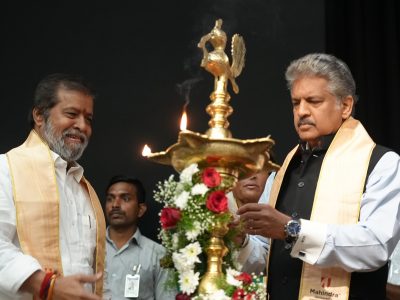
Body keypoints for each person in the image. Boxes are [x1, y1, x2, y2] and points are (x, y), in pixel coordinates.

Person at [237, 53, 400, 299]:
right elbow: (264, 257)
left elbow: (375, 246)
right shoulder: (283, 171)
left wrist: (291, 231)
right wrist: (240, 240)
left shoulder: (381, 163)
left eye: (313, 101)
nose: (301, 111)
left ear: (345, 106)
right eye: (295, 102)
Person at [0, 73, 106, 299]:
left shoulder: (83, 188)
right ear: (39, 115)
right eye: (71, 114)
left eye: (89, 119)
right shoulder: (5, 169)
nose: (82, 125)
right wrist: (47, 285)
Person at [103, 175, 176, 300]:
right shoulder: (89, 248)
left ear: (140, 210)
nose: (115, 204)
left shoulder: (159, 255)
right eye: (110, 199)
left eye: (125, 198)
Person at [228, 170, 273, 274]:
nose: (252, 176)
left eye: (260, 169)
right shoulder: (217, 213)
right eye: (245, 168)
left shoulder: (284, 215)